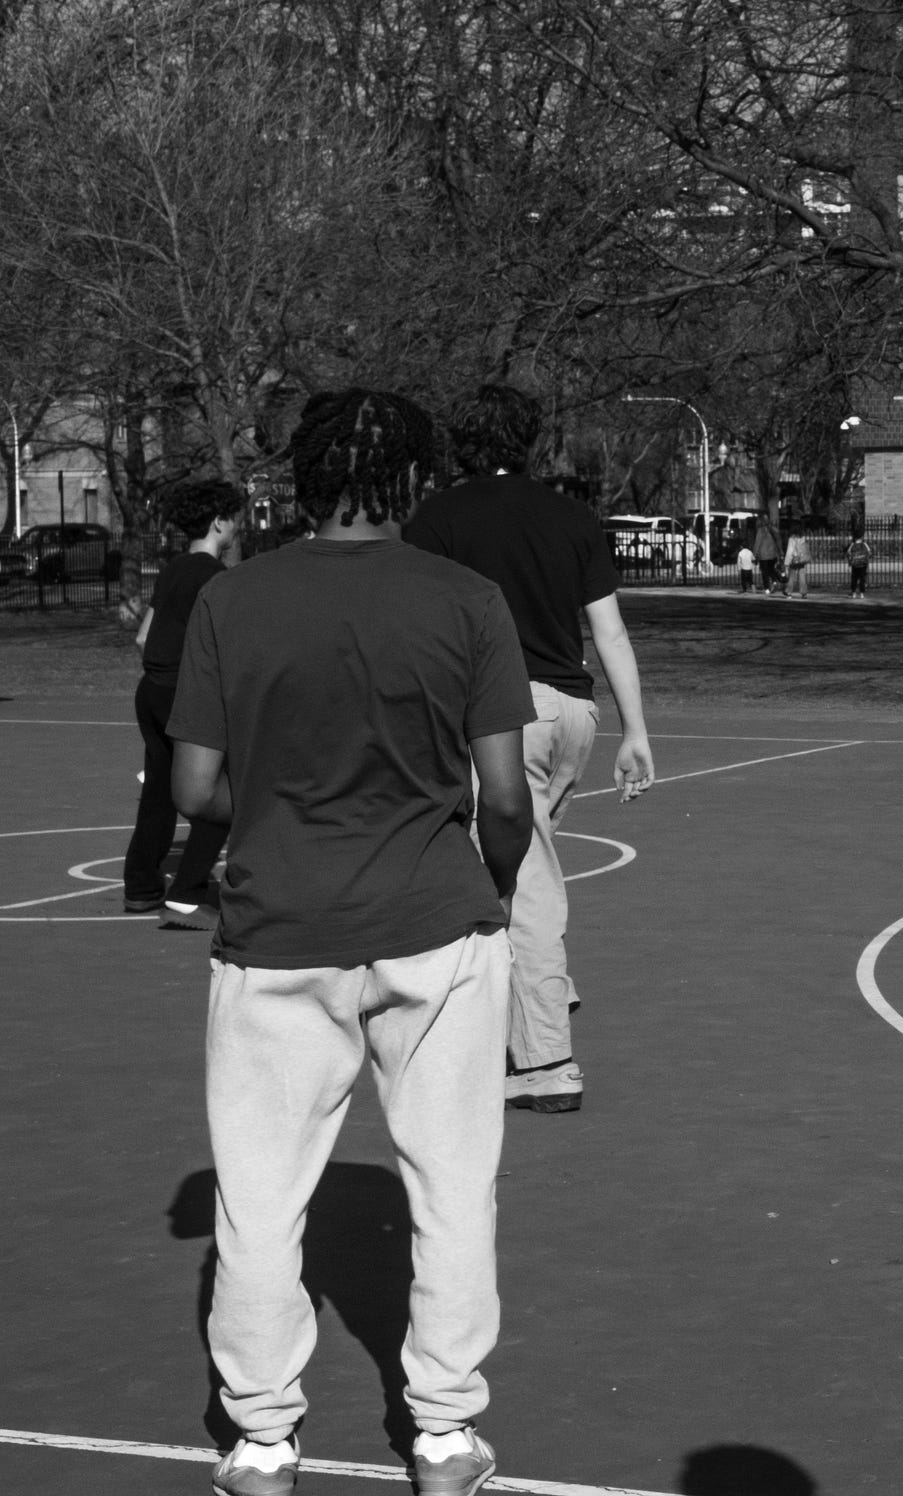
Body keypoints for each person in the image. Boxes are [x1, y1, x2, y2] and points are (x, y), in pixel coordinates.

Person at [169, 388, 536, 1496]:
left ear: (306, 475)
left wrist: (283, 808)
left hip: (279, 927)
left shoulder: (235, 599)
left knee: (261, 1196)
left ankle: (265, 1442)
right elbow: (505, 794)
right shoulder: (467, 599)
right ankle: (441, 1431)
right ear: (414, 480)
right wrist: (497, 886)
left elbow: (194, 784)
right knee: (453, 1183)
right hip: (436, 924)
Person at [405, 385, 657, 1115]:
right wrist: (634, 731)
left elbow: (421, 628)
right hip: (571, 712)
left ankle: (546, 1060)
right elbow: (608, 630)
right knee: (511, 859)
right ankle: (539, 989)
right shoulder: (570, 516)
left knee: (528, 881)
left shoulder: (438, 518)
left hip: (501, 713)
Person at [124, 479, 244, 926]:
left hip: (151, 691)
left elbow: (142, 636)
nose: (237, 527)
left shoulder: (173, 569)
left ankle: (140, 886)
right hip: (184, 696)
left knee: (158, 791)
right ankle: (189, 888)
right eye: (235, 519)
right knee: (224, 789)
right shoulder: (217, 580)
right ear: (219, 522)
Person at [782, 528, 809, 598]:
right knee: (802, 576)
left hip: (794, 559)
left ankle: (789, 592)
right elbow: (805, 548)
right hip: (801, 559)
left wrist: (786, 562)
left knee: (791, 577)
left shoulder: (792, 539)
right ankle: (804, 593)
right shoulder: (803, 538)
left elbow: (790, 550)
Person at [847, 532, 872, 597]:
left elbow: (848, 553)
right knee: (862, 578)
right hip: (863, 564)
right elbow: (869, 552)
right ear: (861, 537)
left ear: (855, 538)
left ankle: (854, 592)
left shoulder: (852, 544)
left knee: (854, 578)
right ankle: (862, 593)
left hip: (855, 564)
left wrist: (850, 562)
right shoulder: (864, 544)